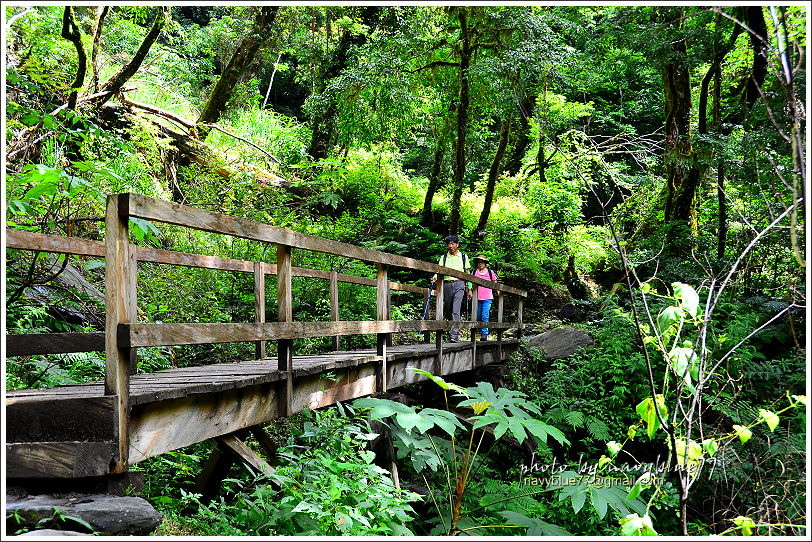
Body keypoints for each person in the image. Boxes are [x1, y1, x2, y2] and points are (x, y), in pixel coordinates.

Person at [430, 235, 471, 342]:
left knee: (455, 309)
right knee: (448, 309)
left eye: (453, 243)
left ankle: (454, 335)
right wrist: (434, 278)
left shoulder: (463, 257)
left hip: (459, 284)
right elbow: (439, 271)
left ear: (457, 245)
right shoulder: (443, 258)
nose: (451, 246)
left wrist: (469, 288)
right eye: (449, 244)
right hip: (447, 285)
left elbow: (467, 273)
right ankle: (449, 329)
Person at [470, 254, 497, 341]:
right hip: (477, 297)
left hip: (487, 297)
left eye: (482, 262)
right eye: (479, 262)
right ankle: (477, 332)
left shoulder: (490, 272)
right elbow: (470, 282)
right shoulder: (474, 272)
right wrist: (469, 291)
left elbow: (495, 282)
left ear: (485, 263)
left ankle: (484, 334)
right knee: (477, 316)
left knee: (485, 315)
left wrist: (497, 291)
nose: (480, 264)